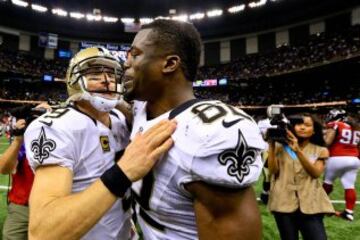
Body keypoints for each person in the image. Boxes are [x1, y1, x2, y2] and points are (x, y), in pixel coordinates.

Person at [123, 19, 265, 239]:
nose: (126, 63)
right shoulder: (143, 108)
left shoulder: (207, 134)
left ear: (170, 64)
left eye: (136, 54)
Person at [24, 47, 176, 239]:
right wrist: (123, 172)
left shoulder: (120, 120)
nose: (107, 79)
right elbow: (43, 233)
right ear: (74, 80)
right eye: (95, 74)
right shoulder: (58, 126)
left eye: (112, 75)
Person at [267, 113, 334, 240]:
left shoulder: (320, 150)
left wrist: (297, 150)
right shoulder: (280, 148)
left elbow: (315, 173)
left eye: (307, 125)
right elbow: (273, 171)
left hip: (311, 204)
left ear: (314, 131)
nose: (302, 127)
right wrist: (271, 145)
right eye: (298, 124)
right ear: (292, 127)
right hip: (283, 202)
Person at [0, 103, 50, 240]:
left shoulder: (65, 137)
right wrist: (18, 140)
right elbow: (4, 169)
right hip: (23, 205)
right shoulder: (24, 141)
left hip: (53, 205)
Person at [323, 109, 360, 221]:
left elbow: (327, 142)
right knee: (349, 185)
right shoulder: (357, 127)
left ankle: (319, 204)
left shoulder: (336, 124)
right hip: (354, 159)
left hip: (337, 158)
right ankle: (349, 212)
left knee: (327, 182)